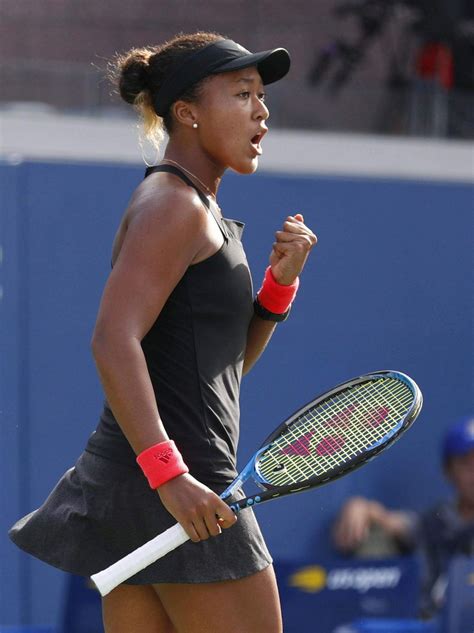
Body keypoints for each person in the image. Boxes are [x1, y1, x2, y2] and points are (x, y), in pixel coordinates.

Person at [9, 32, 317, 633]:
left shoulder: (199, 211)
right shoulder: (172, 204)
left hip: (139, 486)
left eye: (262, 97)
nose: (262, 111)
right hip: (180, 483)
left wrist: (278, 287)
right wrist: (171, 476)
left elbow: (218, 369)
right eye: (243, 94)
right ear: (188, 113)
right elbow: (111, 338)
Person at [332, 414, 474, 617]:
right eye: (466, 463)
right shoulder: (436, 520)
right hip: (429, 621)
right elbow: (396, 523)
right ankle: (372, 617)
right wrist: (361, 506)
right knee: (375, 534)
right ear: (448, 471)